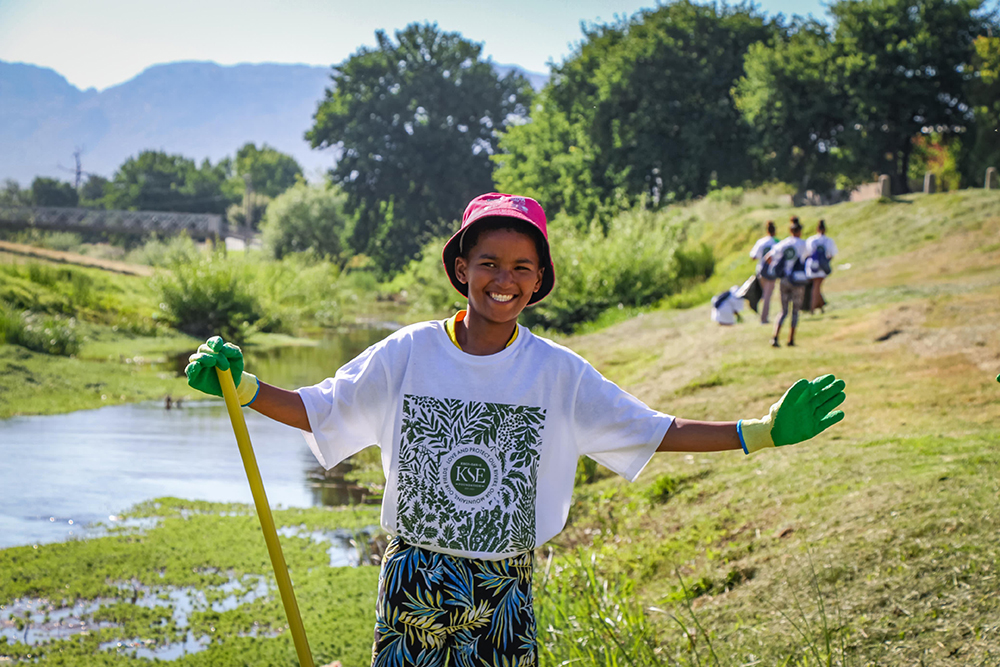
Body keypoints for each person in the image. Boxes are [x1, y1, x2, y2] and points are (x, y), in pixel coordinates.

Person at [185, 193, 847, 666]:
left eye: (521, 266)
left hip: (505, 582)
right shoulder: (408, 352)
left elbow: (651, 427)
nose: (504, 279)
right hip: (416, 569)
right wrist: (243, 387)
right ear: (461, 269)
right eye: (489, 263)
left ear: (539, 282)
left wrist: (756, 432)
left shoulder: (558, 373)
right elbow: (322, 407)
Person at [765, 216, 809, 348]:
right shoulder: (804, 244)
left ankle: (775, 337)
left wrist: (777, 270)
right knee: (795, 311)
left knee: (783, 311)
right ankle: (791, 339)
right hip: (798, 279)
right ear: (799, 231)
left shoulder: (783, 244)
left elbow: (768, 258)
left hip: (784, 279)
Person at [805, 219, 838, 315]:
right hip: (822, 267)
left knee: (816, 287)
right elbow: (831, 255)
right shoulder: (828, 241)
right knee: (816, 287)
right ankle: (812, 308)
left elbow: (806, 253)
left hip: (811, 266)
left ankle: (820, 306)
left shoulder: (811, 240)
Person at [749, 220, 779, 324]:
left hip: (761, 270)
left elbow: (753, 256)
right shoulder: (777, 241)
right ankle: (764, 318)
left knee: (764, 293)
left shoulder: (761, 242)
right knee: (767, 295)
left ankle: (762, 314)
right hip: (772, 270)